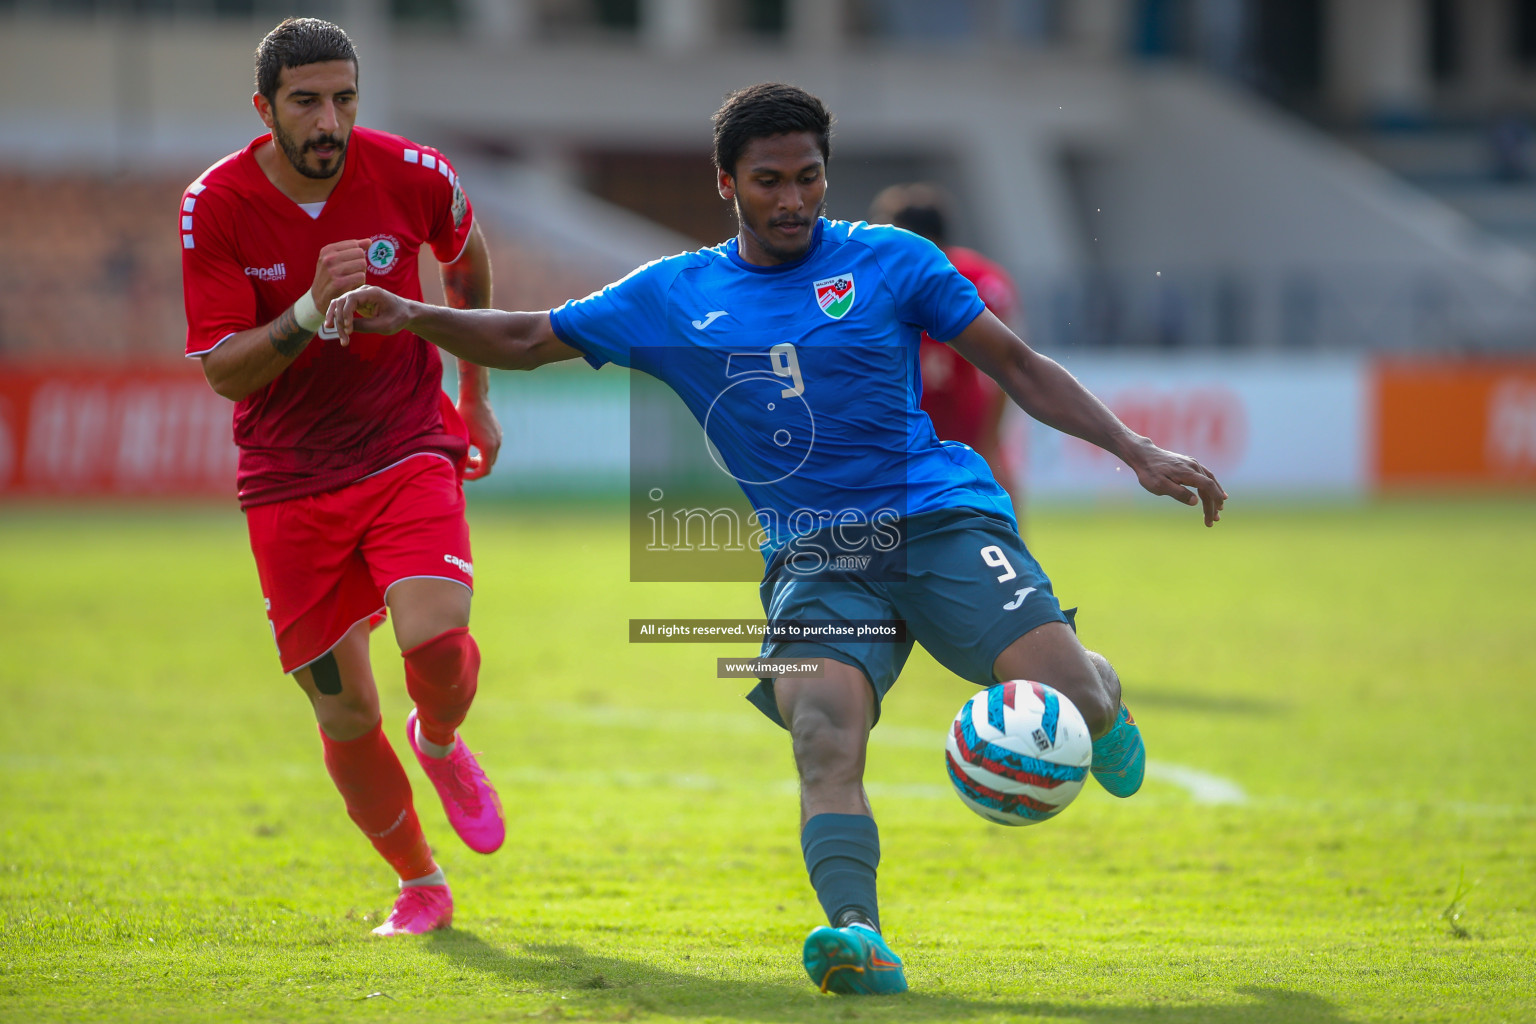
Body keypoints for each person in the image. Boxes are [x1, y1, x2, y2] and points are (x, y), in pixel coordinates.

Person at [326, 83, 1226, 989]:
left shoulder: (892, 261)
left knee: (1072, 691)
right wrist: (413, 316)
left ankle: (1104, 702)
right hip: (814, 556)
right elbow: (527, 336)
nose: (792, 200)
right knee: (823, 733)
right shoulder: (677, 294)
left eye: (808, 178)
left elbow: (1018, 367)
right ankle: (859, 937)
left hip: (938, 520)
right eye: (768, 182)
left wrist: (1134, 450)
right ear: (728, 184)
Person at [179, 17, 506, 938]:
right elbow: (225, 370)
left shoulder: (415, 174)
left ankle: (438, 740)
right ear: (265, 108)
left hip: (405, 445)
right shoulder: (216, 206)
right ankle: (420, 883)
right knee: (348, 708)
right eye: (307, 102)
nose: (330, 121)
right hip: (288, 481)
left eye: (345, 99)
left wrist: (472, 395)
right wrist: (310, 308)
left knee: (438, 646)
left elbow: (467, 261)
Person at [868, 182, 1022, 517]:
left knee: (995, 510)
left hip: (961, 429)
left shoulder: (976, 280)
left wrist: (990, 441)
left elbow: (1006, 366)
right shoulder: (874, 284)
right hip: (900, 437)